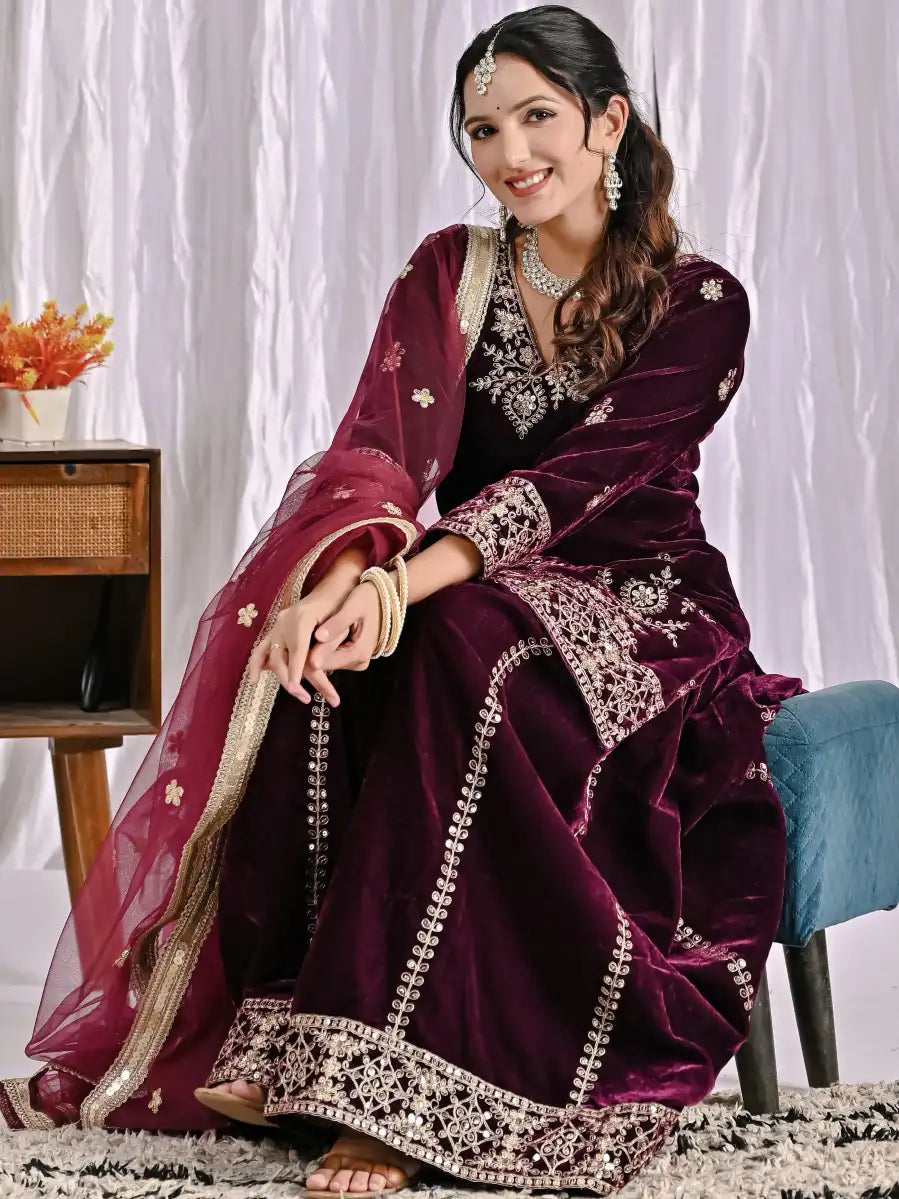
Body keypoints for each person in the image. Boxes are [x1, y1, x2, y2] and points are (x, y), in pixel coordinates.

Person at [0, 5, 806, 1195]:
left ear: (607, 122)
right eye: (483, 128)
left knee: (453, 640)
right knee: (330, 659)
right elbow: (378, 453)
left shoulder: (699, 302)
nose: (510, 152)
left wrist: (396, 580)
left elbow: (574, 484)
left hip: (642, 603)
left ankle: (389, 1095)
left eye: (538, 117)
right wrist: (326, 586)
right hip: (449, 581)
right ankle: (289, 1034)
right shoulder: (449, 270)